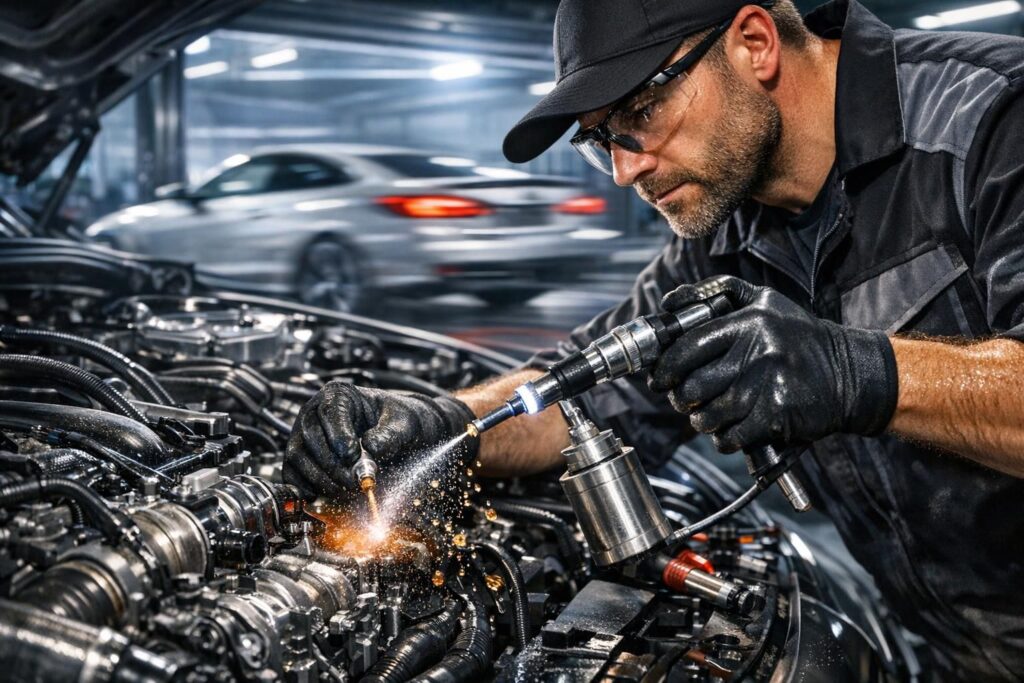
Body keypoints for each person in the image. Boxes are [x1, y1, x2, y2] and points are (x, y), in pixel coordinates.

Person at [285, 1, 1024, 679]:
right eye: (601, 139)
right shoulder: (723, 234)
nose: (624, 168)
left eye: (641, 111)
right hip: (946, 645)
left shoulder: (992, 117)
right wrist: (446, 423)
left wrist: (861, 372)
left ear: (755, 42)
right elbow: (582, 394)